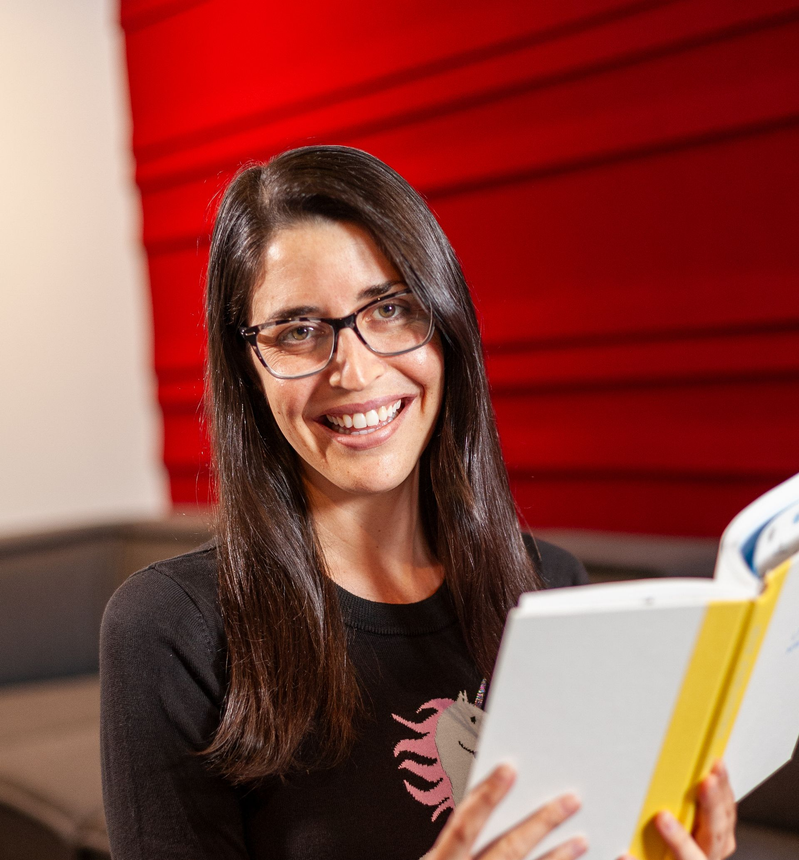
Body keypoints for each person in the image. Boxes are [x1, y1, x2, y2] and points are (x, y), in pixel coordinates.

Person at [100, 145, 736, 860]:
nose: (356, 368)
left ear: (446, 327)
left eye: (392, 308)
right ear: (248, 370)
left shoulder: (550, 588)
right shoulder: (172, 630)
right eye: (298, 330)